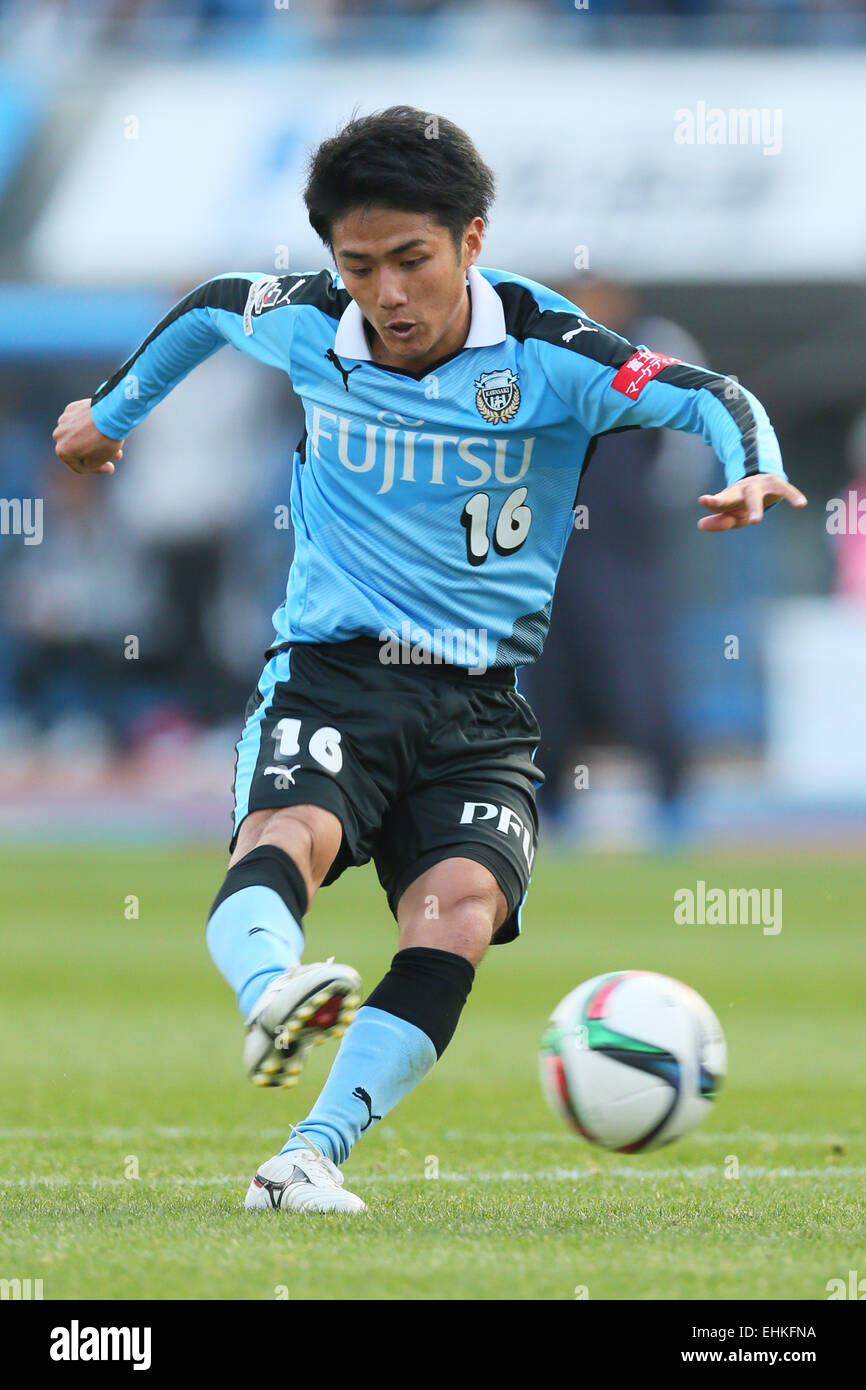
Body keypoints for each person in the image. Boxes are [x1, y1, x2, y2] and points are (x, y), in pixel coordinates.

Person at [53, 106, 806, 1215]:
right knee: (285, 836)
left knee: (456, 912)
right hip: (333, 670)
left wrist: (751, 467)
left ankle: (307, 1155)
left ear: (471, 241)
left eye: (411, 260)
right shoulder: (310, 320)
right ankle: (272, 989)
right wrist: (109, 416)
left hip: (480, 704)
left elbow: (704, 392)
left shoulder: (552, 353)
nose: (387, 293)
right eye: (358, 266)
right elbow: (215, 306)